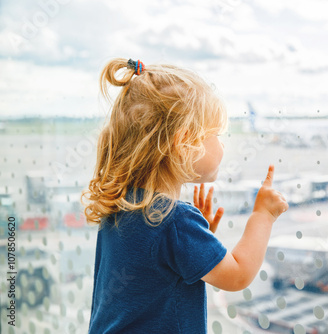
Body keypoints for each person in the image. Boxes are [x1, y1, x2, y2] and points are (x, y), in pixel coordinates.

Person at [81, 57, 288, 333]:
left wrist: (196, 242)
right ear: (183, 143)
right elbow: (237, 275)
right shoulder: (174, 222)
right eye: (215, 134)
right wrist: (263, 215)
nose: (222, 143)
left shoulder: (121, 205)